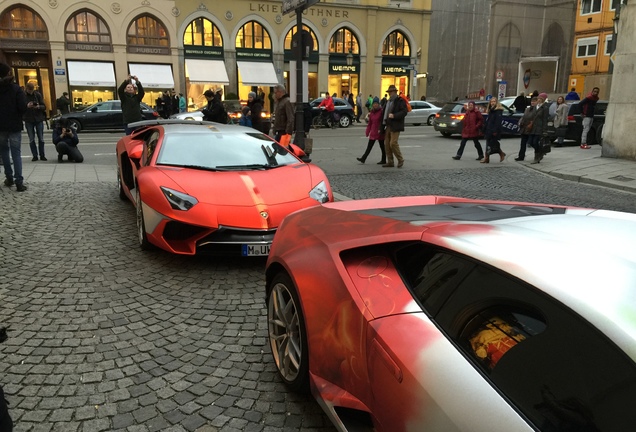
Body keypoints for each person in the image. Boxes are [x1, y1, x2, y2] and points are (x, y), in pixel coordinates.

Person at [0, 61, 28, 192]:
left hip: (1, 126)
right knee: (16, 153)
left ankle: (9, 177)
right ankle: (19, 182)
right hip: (15, 125)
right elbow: (22, 107)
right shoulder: (16, 89)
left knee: (4, 152)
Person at [381, 84, 407, 168]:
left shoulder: (400, 101)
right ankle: (390, 161)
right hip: (388, 124)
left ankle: (400, 159)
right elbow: (384, 113)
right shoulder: (388, 101)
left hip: (395, 124)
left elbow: (404, 112)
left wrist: (394, 115)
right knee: (387, 144)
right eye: (389, 92)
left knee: (393, 143)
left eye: (391, 92)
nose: (389, 93)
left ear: (395, 92)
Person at [357, 97, 386, 164]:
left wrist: (381, 129)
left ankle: (384, 159)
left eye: (376, 103)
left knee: (382, 147)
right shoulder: (372, 112)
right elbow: (370, 123)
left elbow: (382, 122)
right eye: (374, 103)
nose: (375, 105)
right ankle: (363, 158)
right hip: (373, 132)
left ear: (378, 104)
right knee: (369, 146)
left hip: (379, 132)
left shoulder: (381, 112)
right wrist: (367, 131)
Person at [23, 81, 47, 161]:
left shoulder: (37, 95)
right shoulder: (23, 95)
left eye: (32, 90)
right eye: (29, 90)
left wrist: (39, 106)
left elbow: (44, 106)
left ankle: (42, 155)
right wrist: (27, 106)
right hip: (28, 119)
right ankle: (35, 155)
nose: (30, 91)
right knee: (31, 138)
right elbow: (20, 107)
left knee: (41, 138)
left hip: (38, 118)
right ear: (26, 89)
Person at [481, 96, 506, 163]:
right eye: (491, 101)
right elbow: (488, 120)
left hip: (494, 130)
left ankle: (501, 153)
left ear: (496, 102)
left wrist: (495, 130)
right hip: (488, 129)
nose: (492, 103)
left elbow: (498, 122)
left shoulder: (498, 111)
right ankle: (487, 158)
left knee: (493, 144)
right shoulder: (490, 110)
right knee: (488, 144)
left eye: (494, 101)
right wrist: (484, 128)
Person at [527, 92, 550, 164]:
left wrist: (544, 130)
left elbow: (545, 119)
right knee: (530, 142)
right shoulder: (534, 107)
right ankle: (540, 152)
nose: (539, 100)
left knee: (535, 142)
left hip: (539, 128)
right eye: (538, 99)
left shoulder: (545, 108)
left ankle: (536, 157)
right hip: (533, 127)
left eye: (541, 99)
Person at [515, 96, 538, 161]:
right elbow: (524, 116)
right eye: (532, 101)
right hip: (525, 128)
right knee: (523, 143)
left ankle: (538, 152)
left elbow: (536, 119)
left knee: (531, 143)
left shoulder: (537, 110)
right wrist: (521, 122)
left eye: (534, 101)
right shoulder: (527, 109)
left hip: (532, 128)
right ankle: (521, 156)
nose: (533, 103)